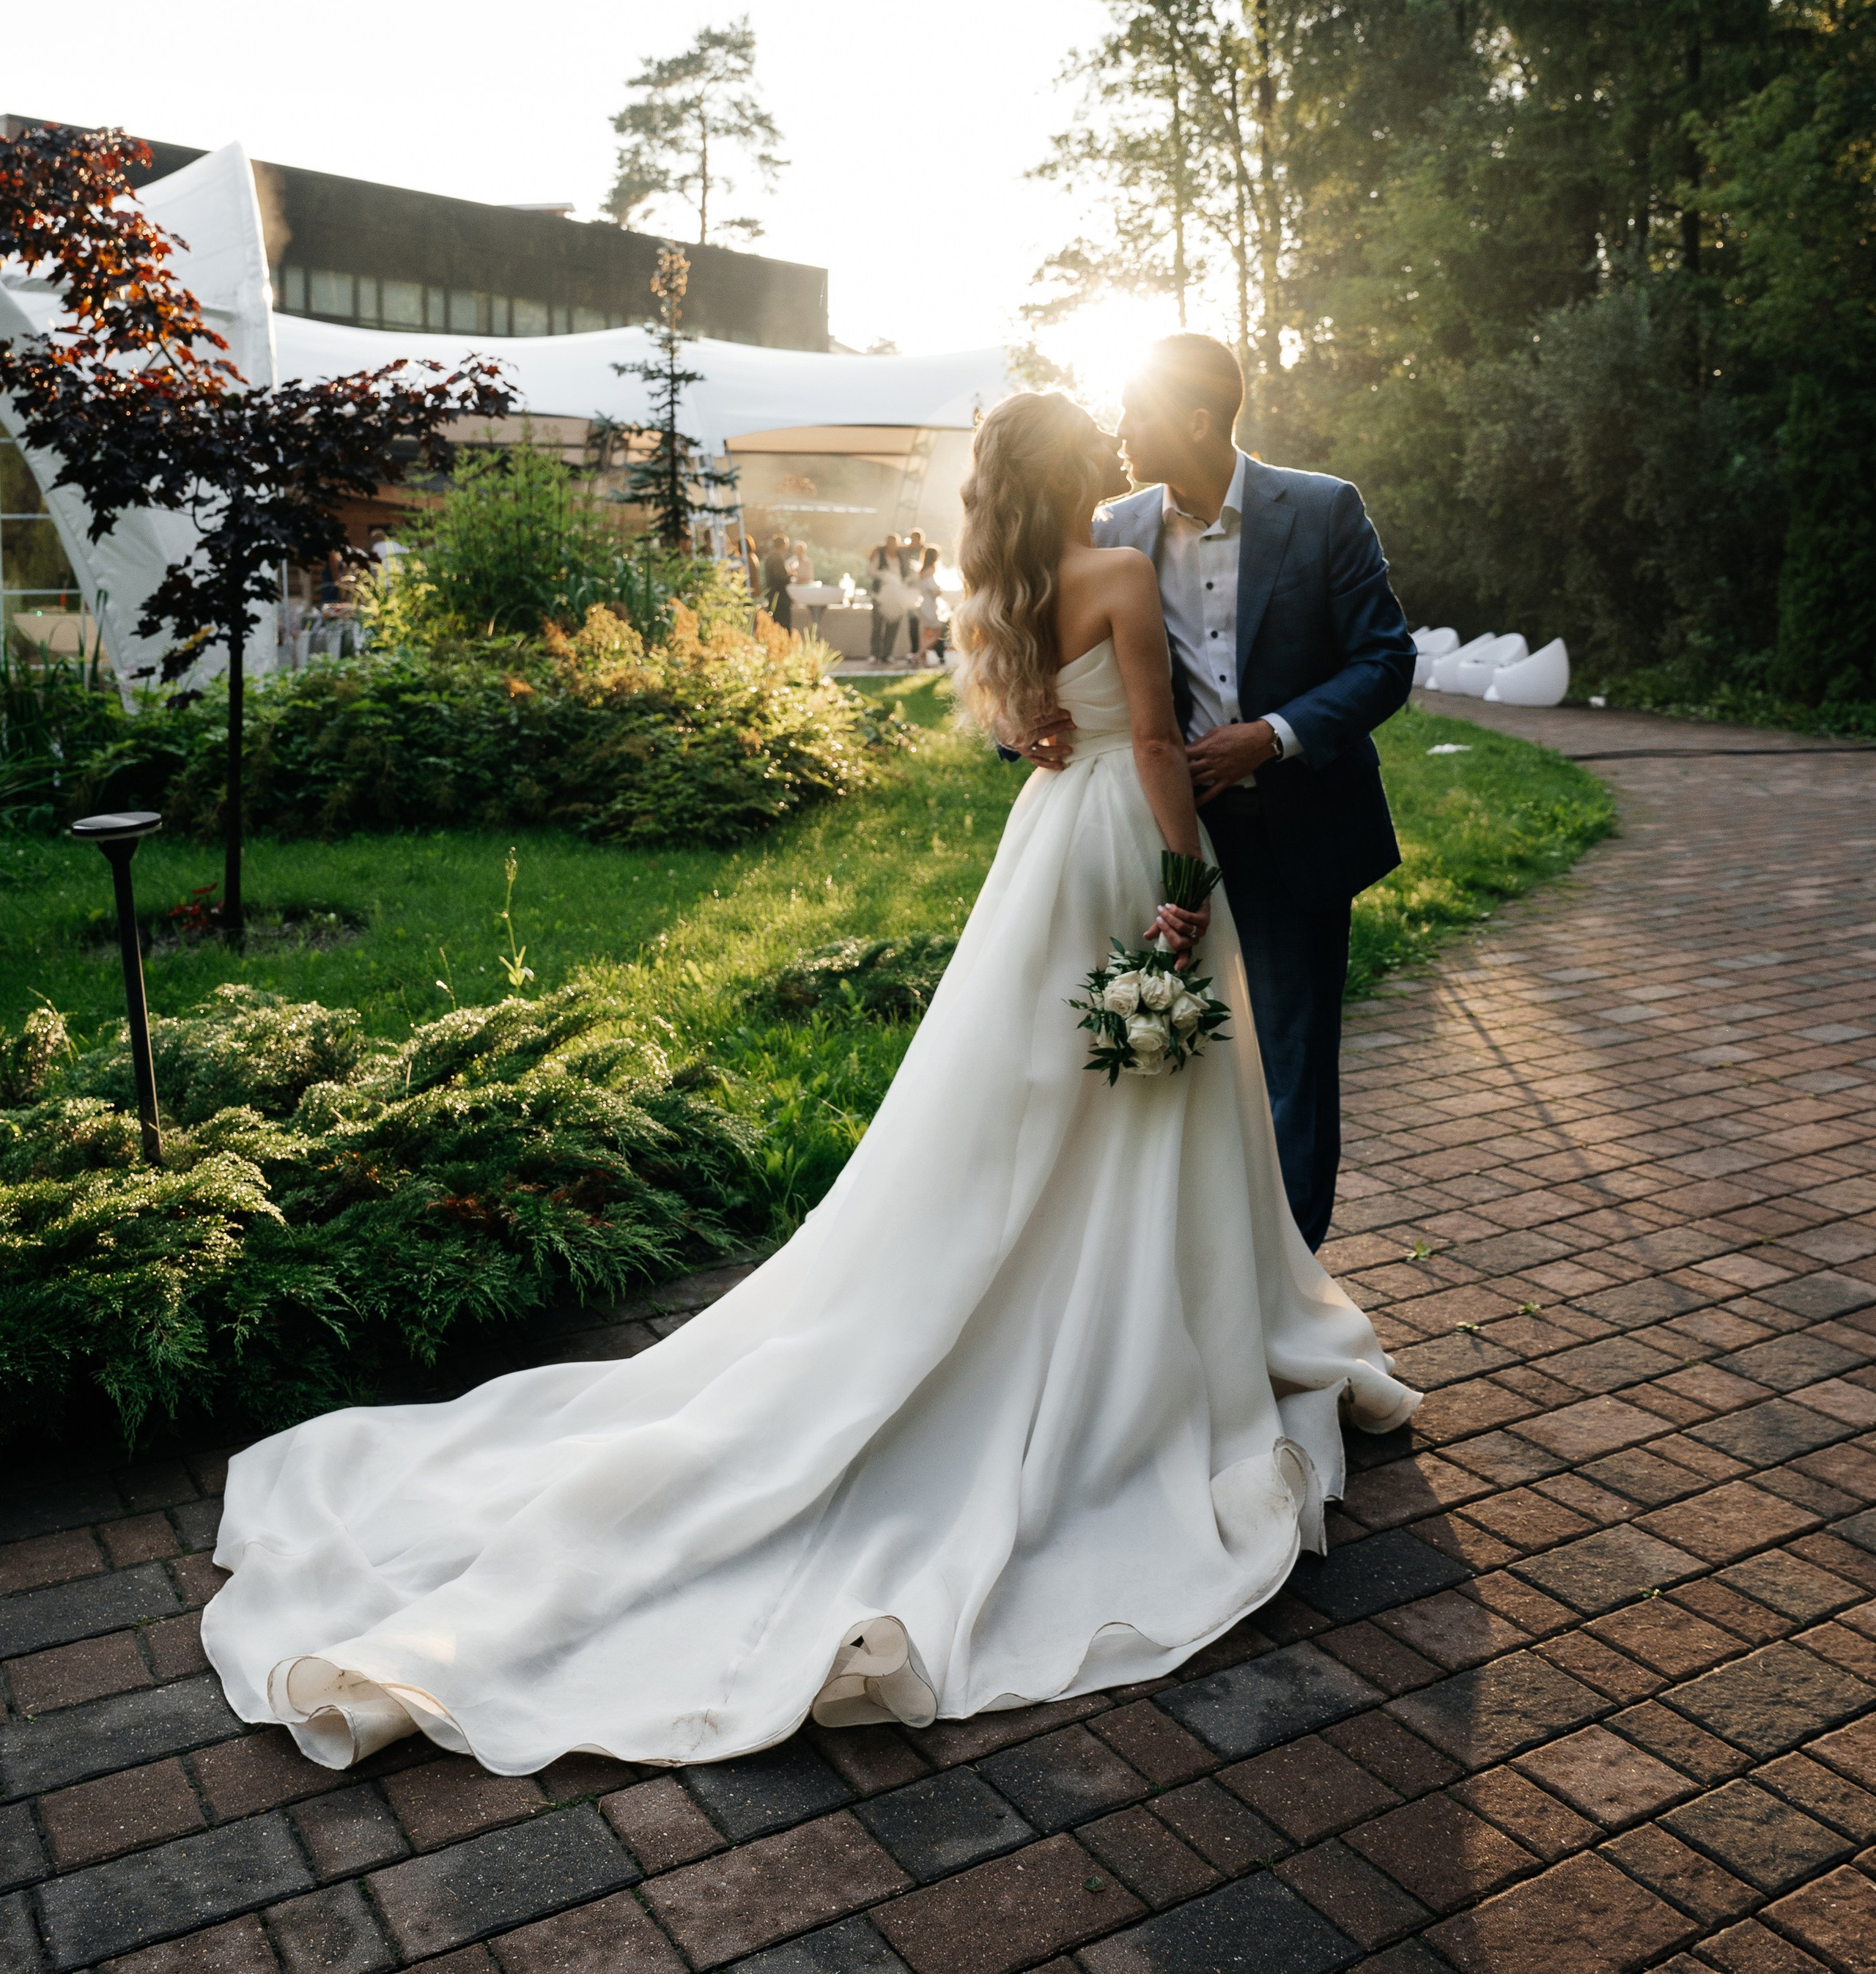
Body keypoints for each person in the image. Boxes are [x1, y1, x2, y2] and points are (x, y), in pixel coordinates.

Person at [200, 388, 1414, 1779]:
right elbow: (1147, 742)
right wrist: (1186, 881)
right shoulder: (1122, 559)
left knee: (1042, 1098)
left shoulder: (1014, 577)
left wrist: (1056, 737)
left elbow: (1031, 724)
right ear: (1086, 467)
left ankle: (1093, 1307)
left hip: (1041, 862)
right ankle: (1155, 1344)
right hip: (1128, 849)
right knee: (1142, 1090)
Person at [1021, 335, 1414, 1252]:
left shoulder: (1321, 511)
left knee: (1289, 1064)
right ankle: (1183, 1274)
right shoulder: (1112, 530)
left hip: (1294, 831)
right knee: (1161, 1061)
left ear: (1196, 420)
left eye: (1139, 411)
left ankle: (1293, 1288)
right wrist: (1022, 724)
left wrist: (1269, 738)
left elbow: (1386, 662)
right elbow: (1044, 644)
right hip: (1152, 835)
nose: (1121, 430)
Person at [868, 532, 905, 661]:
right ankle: (874, 654)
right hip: (880, 595)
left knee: (893, 625)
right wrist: (885, 575)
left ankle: (887, 654)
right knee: (877, 625)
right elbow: (870, 571)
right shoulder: (879, 555)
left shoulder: (900, 557)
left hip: (896, 596)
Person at [915, 541, 944, 661]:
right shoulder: (930, 570)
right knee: (937, 632)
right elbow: (932, 588)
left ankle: (923, 660)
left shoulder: (922, 571)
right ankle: (917, 656)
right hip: (929, 605)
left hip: (923, 604)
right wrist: (939, 591)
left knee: (924, 633)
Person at [760, 532, 793, 632]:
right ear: (783, 545)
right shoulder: (777, 558)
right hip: (780, 598)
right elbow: (780, 577)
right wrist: (790, 576)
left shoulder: (770, 557)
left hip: (774, 595)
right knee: (782, 625)